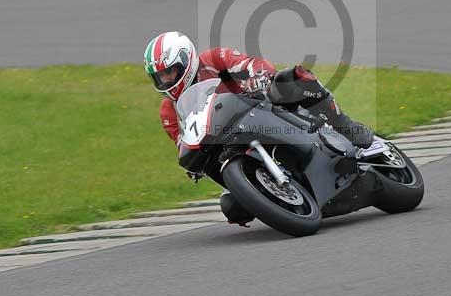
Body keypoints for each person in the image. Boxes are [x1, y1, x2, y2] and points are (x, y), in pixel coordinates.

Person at [144, 31, 374, 225]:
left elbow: (251, 64)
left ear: (186, 60)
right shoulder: (168, 111)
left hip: (257, 109)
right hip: (226, 144)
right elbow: (183, 141)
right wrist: (191, 163)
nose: (166, 80)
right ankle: (278, 197)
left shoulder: (213, 59)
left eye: (170, 72)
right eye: (159, 77)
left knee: (290, 80)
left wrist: (259, 77)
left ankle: (344, 125)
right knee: (231, 206)